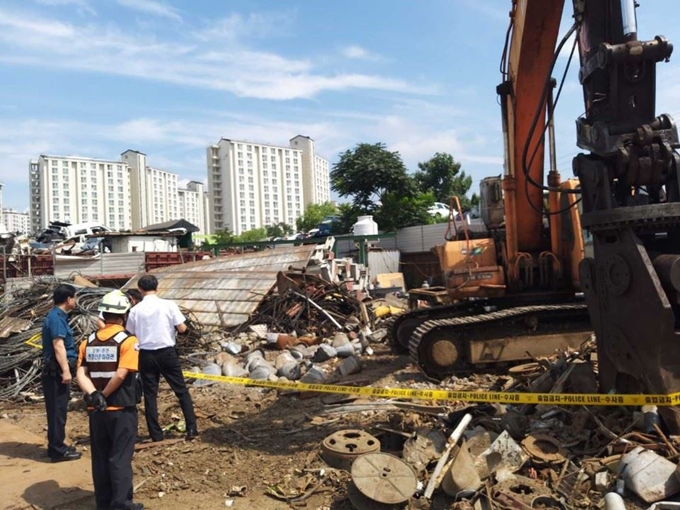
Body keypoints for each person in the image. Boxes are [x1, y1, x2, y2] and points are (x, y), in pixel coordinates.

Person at [76, 290, 144, 510]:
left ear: (103, 314)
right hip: (121, 408)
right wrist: (104, 395)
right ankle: (122, 503)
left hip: (96, 411)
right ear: (124, 315)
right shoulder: (128, 341)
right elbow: (121, 373)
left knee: (101, 457)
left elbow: (81, 373)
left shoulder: (89, 341)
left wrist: (94, 395)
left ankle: (103, 502)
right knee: (120, 458)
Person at [126, 274, 198, 441]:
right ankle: (192, 429)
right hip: (167, 352)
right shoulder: (169, 305)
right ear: (157, 288)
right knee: (181, 390)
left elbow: (131, 333)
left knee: (150, 395)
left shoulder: (135, 310)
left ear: (140, 290)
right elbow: (181, 328)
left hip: (146, 354)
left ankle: (155, 434)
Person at [41, 283, 82, 462]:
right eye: (75, 297)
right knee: (58, 411)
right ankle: (58, 450)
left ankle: (55, 446)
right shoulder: (56, 318)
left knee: (56, 410)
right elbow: (59, 346)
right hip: (56, 372)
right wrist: (66, 371)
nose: (76, 300)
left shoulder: (58, 316)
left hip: (55, 371)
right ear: (68, 299)